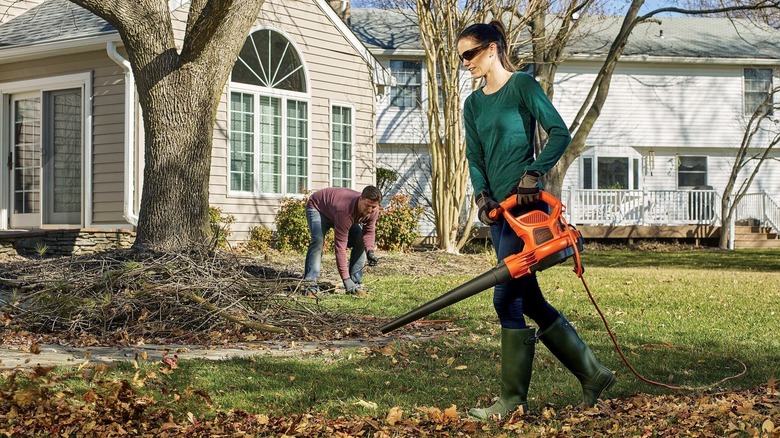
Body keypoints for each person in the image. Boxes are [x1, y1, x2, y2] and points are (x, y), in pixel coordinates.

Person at [458, 21, 616, 419]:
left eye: (469, 54)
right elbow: (474, 157)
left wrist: (534, 172)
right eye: (461, 57)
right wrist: (481, 196)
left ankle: (512, 401)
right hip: (498, 215)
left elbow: (559, 133)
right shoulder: (473, 104)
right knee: (528, 296)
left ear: (492, 49)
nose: (465, 63)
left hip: (527, 210)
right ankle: (593, 373)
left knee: (505, 297)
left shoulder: (523, 87)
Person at [304, 186, 381, 296]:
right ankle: (310, 285)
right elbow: (340, 247)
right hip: (318, 208)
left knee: (360, 238)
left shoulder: (373, 211)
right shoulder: (345, 210)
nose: (370, 210)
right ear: (360, 199)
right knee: (318, 240)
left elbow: (368, 232)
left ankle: (355, 284)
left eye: (373, 207)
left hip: (335, 210)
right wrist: (345, 279)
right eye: (367, 205)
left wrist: (370, 251)